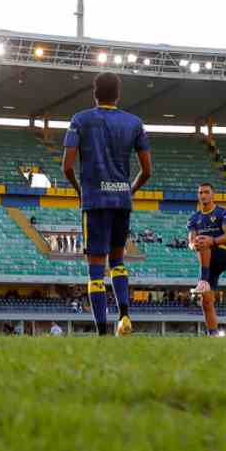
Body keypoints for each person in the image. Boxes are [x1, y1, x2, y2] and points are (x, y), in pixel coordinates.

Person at [61, 72, 153, 336]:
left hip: (95, 200)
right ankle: (124, 315)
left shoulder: (80, 120)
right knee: (119, 260)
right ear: (118, 94)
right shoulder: (134, 122)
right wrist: (129, 191)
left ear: (95, 93)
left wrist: (81, 191)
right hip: (121, 199)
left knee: (96, 270)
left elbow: (67, 166)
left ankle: (102, 332)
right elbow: (147, 170)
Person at [186, 182, 226, 337]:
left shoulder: (222, 213)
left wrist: (210, 241)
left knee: (202, 241)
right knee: (206, 300)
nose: (203, 195)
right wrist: (194, 246)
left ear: (213, 195)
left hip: (224, 254)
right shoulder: (194, 218)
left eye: (206, 192)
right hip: (207, 260)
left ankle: (203, 280)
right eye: (200, 192)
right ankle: (213, 333)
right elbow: (190, 242)